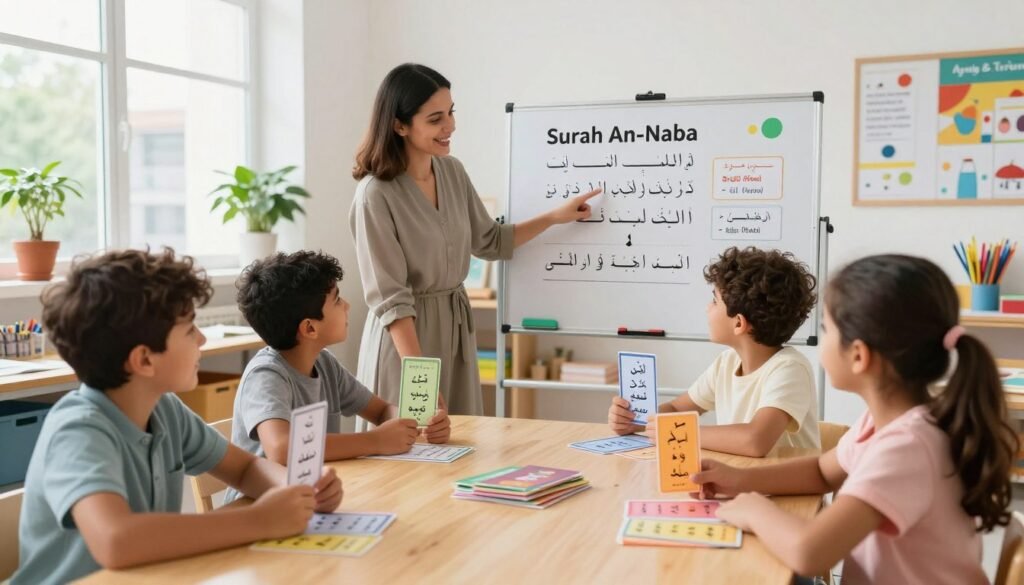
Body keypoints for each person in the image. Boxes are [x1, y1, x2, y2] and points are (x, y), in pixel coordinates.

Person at [13, 249, 341, 585]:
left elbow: (244, 468)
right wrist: (260, 520)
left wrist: (300, 487)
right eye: (189, 330)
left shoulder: (164, 409)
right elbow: (116, 540)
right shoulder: (78, 431)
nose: (201, 339)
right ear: (144, 360)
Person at [694, 254, 1017, 584]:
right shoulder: (884, 423)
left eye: (827, 329)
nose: (821, 340)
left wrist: (754, 510)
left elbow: (810, 552)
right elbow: (822, 472)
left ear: (859, 355)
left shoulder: (907, 447)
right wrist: (739, 480)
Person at [350, 63, 599, 414]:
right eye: (435, 119)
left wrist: (555, 217)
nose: (450, 126)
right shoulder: (375, 195)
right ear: (399, 125)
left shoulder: (452, 172)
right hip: (407, 343)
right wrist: (420, 379)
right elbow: (392, 301)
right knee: (410, 453)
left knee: (462, 447)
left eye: (451, 113)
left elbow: (491, 241)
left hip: (455, 334)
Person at [225, 251, 450, 504]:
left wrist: (418, 421)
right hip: (259, 506)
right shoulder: (266, 376)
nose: (347, 306)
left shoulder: (324, 363)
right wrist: (375, 441)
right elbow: (282, 449)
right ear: (310, 328)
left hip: (313, 498)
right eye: (337, 300)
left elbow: (381, 410)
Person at [608, 246, 820, 455]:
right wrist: (638, 420)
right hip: (740, 483)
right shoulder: (726, 363)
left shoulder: (790, 368)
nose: (707, 308)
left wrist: (679, 432)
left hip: (787, 489)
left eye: (714, 301)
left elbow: (756, 440)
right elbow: (676, 409)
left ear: (739, 323)